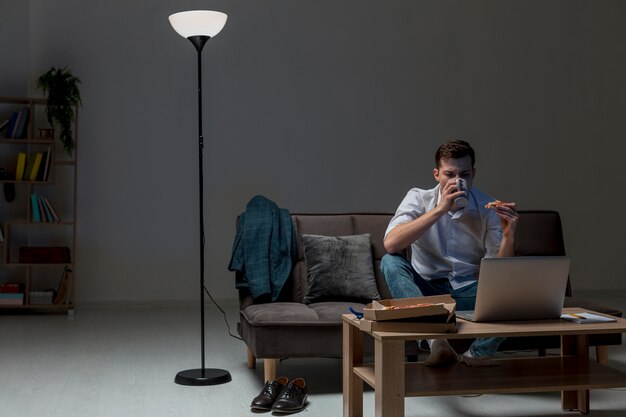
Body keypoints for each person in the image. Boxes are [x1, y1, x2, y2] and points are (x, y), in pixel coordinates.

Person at [381, 139, 518, 366]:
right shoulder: (418, 198)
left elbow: (501, 278)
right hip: (426, 294)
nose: (457, 181)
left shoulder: (488, 207)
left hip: (468, 292)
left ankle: (475, 357)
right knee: (390, 262)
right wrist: (440, 209)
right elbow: (391, 244)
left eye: (464, 174)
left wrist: (508, 235)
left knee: (514, 292)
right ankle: (437, 343)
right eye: (449, 174)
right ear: (437, 174)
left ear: (473, 173)